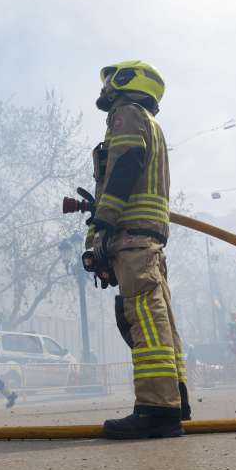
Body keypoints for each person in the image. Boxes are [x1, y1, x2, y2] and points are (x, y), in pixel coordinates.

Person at [85, 60, 190, 439]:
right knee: (159, 317)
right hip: (148, 240)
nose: (106, 90)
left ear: (126, 80)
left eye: (110, 82)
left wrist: (101, 221)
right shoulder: (150, 122)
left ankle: (156, 410)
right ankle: (176, 398)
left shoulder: (126, 114)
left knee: (144, 317)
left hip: (131, 236)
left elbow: (126, 163)